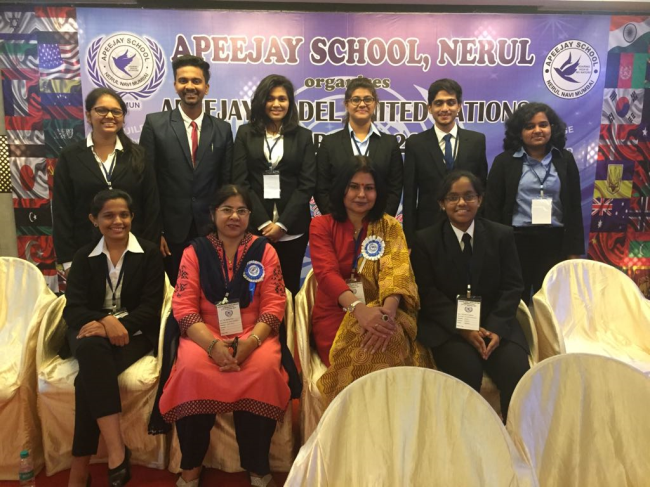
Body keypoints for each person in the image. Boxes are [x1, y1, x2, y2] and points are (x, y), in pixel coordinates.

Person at [159, 185, 289, 487]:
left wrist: (251, 344)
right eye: (227, 210)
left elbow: (274, 304)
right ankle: (191, 466)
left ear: (250, 215)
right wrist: (213, 346)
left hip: (254, 335)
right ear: (212, 214)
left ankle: (257, 467)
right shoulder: (195, 251)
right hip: (204, 335)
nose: (234, 216)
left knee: (263, 369)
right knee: (191, 369)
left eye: (242, 210)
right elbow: (183, 306)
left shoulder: (264, 250)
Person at [62, 189, 165, 487]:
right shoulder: (83, 256)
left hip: (134, 333)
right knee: (92, 348)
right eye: (108, 215)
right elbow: (73, 308)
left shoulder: (149, 254)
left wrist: (120, 326)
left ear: (132, 217)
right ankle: (117, 450)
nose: (117, 221)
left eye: (124, 215)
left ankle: (79, 469)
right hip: (89, 330)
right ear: (94, 219)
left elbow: (151, 308)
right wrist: (105, 322)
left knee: (87, 379)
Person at [309, 155, 431, 403]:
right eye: (354, 187)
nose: (361, 194)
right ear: (342, 189)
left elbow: (396, 272)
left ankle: (385, 419)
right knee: (372, 354)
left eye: (369, 188)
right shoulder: (322, 225)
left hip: (383, 311)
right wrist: (359, 310)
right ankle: (355, 420)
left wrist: (386, 316)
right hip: (335, 314)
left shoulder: (389, 226)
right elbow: (326, 274)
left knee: (390, 341)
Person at [411, 171, 529, 419]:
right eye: (453, 197)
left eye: (469, 196)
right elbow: (427, 293)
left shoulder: (501, 235)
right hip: (449, 328)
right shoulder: (425, 240)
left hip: (495, 323)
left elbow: (512, 286)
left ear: (480, 200)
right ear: (442, 203)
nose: (461, 203)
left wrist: (495, 328)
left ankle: (511, 437)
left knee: (515, 370)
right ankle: (464, 437)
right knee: (465, 370)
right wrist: (464, 328)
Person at [140, 54, 234, 285]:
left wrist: (223, 228)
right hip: (170, 234)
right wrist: (156, 232)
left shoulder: (222, 129)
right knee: (176, 292)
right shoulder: (155, 124)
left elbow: (226, 184)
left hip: (210, 230)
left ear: (206, 87)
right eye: (183, 81)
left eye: (196, 81)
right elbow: (147, 183)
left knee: (211, 289)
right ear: (175, 85)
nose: (190, 86)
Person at [484, 102, 584, 303]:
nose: (537, 130)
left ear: (552, 128)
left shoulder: (565, 159)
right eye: (529, 126)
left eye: (543, 125)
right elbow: (492, 208)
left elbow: (574, 207)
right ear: (519, 132)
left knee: (549, 301)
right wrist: (494, 248)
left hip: (554, 242)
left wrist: (574, 251)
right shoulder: (504, 162)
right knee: (514, 300)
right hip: (515, 242)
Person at [53, 87, 160, 273]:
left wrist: (149, 252)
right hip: (85, 252)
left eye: (116, 111)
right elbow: (62, 210)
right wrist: (68, 260)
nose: (109, 116)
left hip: (134, 251)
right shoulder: (70, 156)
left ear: (123, 118)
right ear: (88, 115)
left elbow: (151, 207)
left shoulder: (139, 155)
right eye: (101, 110)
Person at [232, 74, 316, 296]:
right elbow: (241, 181)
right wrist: (263, 223)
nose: (276, 104)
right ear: (261, 101)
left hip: (293, 230)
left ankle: (288, 322)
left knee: (288, 288)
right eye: (270, 98)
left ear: (290, 103)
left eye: (282, 99)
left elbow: (306, 184)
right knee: (254, 290)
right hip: (254, 228)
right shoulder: (245, 133)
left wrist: (282, 225)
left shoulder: (303, 136)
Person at [403, 78, 488, 245]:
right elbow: (410, 195)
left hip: (468, 226)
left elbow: (482, 188)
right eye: (438, 103)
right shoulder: (415, 144)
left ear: (459, 106)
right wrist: (409, 239)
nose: (444, 109)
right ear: (429, 108)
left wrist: (482, 229)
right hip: (428, 228)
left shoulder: (476, 141)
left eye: (450, 102)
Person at [315, 77, 403, 216]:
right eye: (356, 100)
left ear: (375, 103)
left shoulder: (389, 143)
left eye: (367, 99)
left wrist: (381, 221)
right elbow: (321, 188)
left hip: (378, 222)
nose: (362, 104)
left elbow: (395, 189)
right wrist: (337, 220)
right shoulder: (329, 143)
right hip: (339, 221)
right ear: (346, 104)